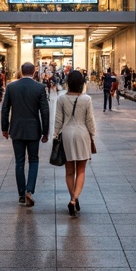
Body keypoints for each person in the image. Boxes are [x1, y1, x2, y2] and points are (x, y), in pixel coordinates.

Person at [1, 61, 50, 207]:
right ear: (35, 71)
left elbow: (5, 109)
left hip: (16, 129)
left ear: (21, 72)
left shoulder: (11, 87)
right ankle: (30, 190)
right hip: (34, 130)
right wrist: (45, 132)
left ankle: (21, 195)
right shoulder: (40, 87)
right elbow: (45, 111)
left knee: (19, 162)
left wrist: (4, 128)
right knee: (34, 160)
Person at [54, 69, 96, 216]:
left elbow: (58, 120)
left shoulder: (61, 99)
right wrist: (93, 134)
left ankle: (73, 196)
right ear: (81, 84)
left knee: (69, 171)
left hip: (66, 134)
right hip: (82, 133)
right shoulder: (86, 99)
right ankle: (74, 199)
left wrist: (55, 135)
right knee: (82, 170)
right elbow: (89, 120)